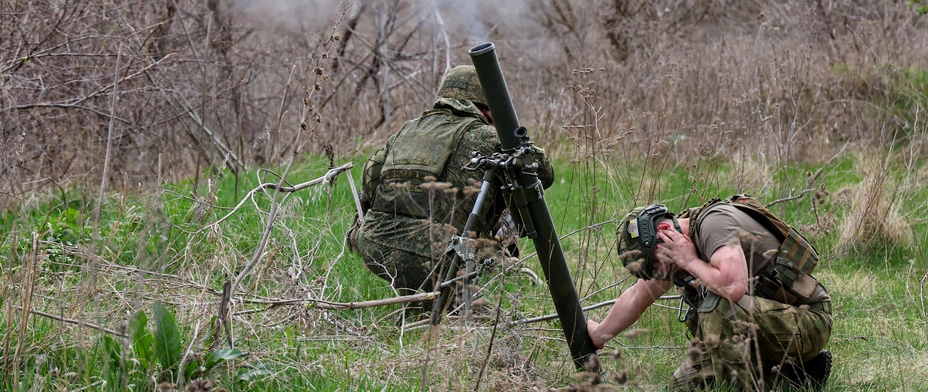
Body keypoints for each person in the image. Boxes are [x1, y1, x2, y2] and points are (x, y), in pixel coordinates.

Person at [347, 65, 553, 295]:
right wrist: (508, 133)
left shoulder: (407, 130)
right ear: (486, 109)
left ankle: (421, 297)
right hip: (438, 253)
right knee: (487, 296)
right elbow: (544, 173)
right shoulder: (487, 136)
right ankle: (490, 285)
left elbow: (370, 183)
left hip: (374, 244)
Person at [588, 199, 833, 390]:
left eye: (655, 264)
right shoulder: (673, 247)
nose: (658, 273)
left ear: (664, 230)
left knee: (719, 306)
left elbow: (733, 286)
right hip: (763, 326)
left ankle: (756, 381)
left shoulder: (713, 225)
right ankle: (798, 375)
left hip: (808, 322)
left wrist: (690, 261)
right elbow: (636, 297)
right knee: (682, 387)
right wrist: (600, 334)